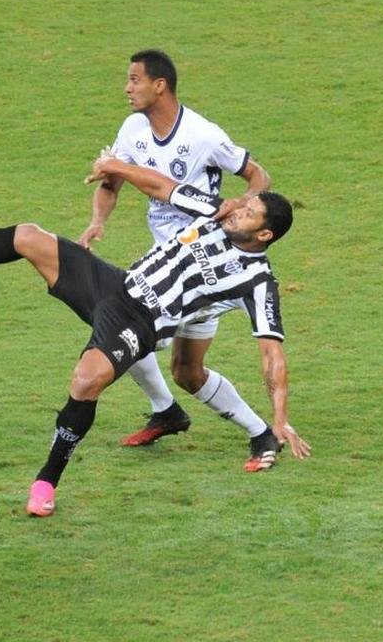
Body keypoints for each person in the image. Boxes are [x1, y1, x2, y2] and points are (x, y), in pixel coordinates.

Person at [0, 154, 310, 517]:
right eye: (243, 205)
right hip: (113, 285)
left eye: (248, 213)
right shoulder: (215, 211)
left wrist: (280, 415)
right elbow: (162, 186)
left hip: (140, 323)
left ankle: (46, 483)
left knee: (85, 382)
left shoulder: (258, 281)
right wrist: (115, 166)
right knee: (28, 236)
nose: (236, 210)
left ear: (264, 234)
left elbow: (272, 354)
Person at [80, 49, 280, 470]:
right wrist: (97, 220)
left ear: (160, 85)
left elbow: (258, 175)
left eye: (134, 79)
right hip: (167, 261)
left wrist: (239, 206)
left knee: (127, 330)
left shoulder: (202, 135)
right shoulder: (134, 128)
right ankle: (248, 430)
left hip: (206, 263)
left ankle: (250, 430)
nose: (127, 88)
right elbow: (114, 180)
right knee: (186, 370)